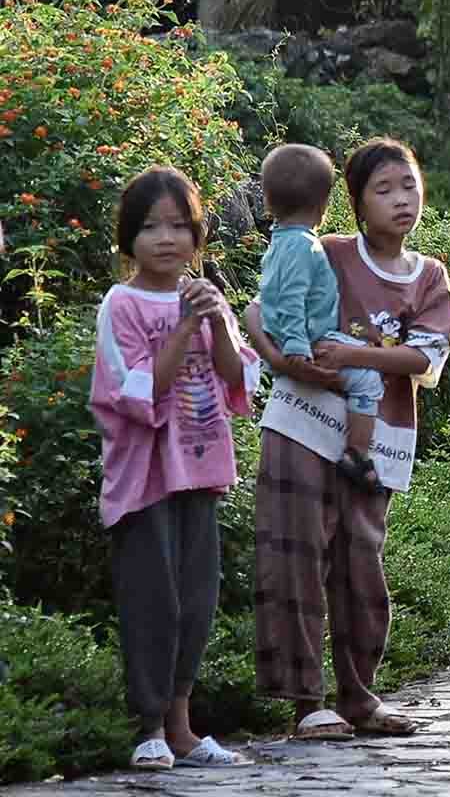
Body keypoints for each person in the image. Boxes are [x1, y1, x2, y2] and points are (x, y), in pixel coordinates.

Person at [244, 137, 450, 742]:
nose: (401, 200)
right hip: (302, 426)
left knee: (361, 562)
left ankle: (360, 695)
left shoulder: (429, 278)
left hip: (375, 442)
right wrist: (285, 364)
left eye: (409, 185)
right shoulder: (326, 253)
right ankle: (306, 701)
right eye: (383, 189)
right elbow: (261, 314)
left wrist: (353, 353)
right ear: (355, 203)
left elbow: (423, 356)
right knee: (297, 553)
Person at [90, 166, 257, 770]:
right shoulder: (122, 303)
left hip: (201, 468)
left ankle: (183, 728)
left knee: (195, 597)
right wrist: (185, 325)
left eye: (180, 227)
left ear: (198, 235)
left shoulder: (208, 298)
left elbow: (238, 380)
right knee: (151, 598)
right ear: (127, 238)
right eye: (152, 227)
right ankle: (149, 728)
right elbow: (133, 392)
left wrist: (213, 319)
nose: (167, 239)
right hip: (144, 481)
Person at [257, 143, 383, 492]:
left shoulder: (281, 241)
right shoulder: (304, 245)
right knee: (368, 379)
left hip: (290, 337)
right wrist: (297, 344)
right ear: (324, 204)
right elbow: (291, 297)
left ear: (268, 201)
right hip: (307, 340)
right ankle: (357, 454)